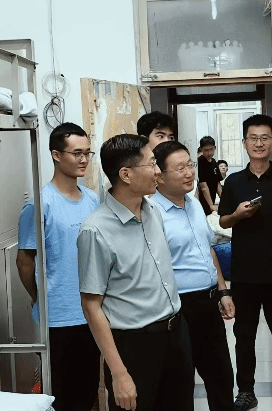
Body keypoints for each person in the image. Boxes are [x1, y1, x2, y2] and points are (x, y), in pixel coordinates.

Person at [77, 134, 194, 411]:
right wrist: (119, 374)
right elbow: (91, 306)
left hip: (175, 334)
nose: (158, 171)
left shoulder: (152, 210)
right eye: (151, 163)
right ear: (126, 175)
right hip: (134, 345)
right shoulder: (96, 230)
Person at [16, 122, 100, 411]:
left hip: (92, 311)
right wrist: (40, 296)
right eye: (77, 153)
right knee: (63, 395)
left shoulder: (92, 199)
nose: (84, 159)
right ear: (56, 155)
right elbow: (24, 261)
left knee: (88, 389)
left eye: (87, 153)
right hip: (59, 317)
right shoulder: (40, 205)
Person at [219, 115, 272, 411]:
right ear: (244, 143)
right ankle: (246, 391)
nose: (259, 143)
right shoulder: (233, 181)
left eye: (265, 138)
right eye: (253, 138)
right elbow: (224, 221)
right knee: (244, 337)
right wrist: (238, 215)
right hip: (244, 274)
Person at [152, 140, 235, 411]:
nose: (189, 173)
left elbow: (207, 248)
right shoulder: (151, 214)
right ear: (159, 176)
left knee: (221, 376)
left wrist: (222, 290)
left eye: (190, 165)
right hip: (178, 309)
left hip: (208, 302)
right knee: (181, 383)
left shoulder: (195, 204)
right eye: (180, 169)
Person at [198, 136, 223, 215]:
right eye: (206, 150)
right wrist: (211, 205)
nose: (209, 153)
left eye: (211, 149)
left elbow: (217, 183)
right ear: (201, 149)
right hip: (202, 201)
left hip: (212, 198)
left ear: (215, 148)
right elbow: (203, 186)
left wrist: (224, 200)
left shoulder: (214, 162)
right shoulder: (200, 162)